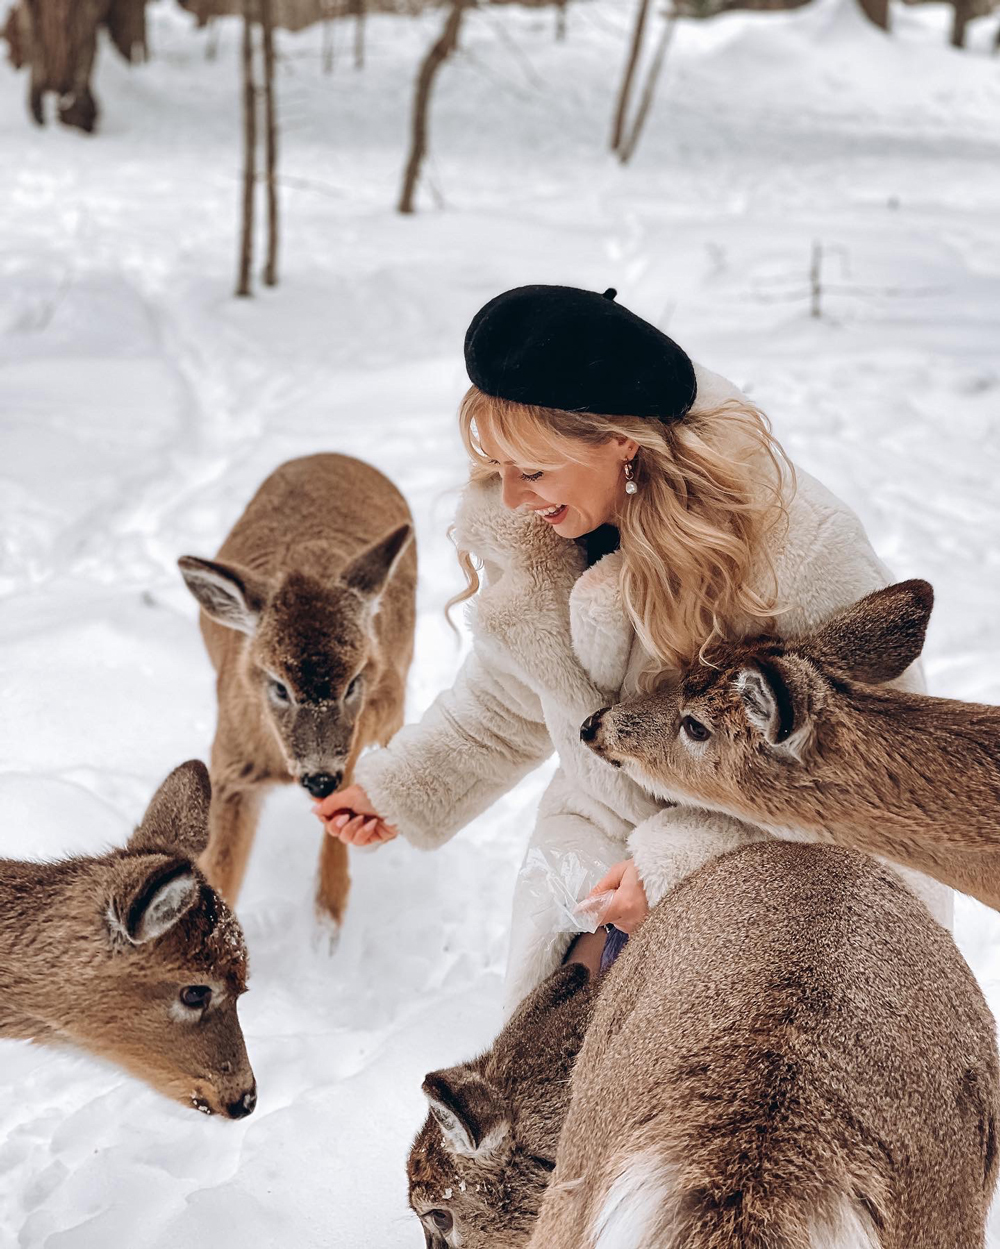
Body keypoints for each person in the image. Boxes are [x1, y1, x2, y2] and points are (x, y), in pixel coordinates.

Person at [313, 284, 951, 1013]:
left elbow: (874, 777)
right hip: (604, 853)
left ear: (621, 441)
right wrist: (408, 785)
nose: (514, 498)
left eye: (535, 470)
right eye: (499, 470)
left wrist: (683, 866)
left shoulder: (796, 552)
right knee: (549, 1079)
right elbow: (515, 691)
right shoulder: (546, 533)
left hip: (796, 885)